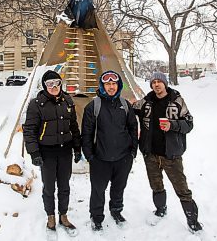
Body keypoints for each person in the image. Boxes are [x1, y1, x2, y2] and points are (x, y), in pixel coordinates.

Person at [132, 71, 203, 232]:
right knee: (156, 185)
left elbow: (189, 124)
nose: (156, 84)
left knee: (182, 190)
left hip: (171, 154)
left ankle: (193, 221)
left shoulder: (177, 100)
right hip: (150, 154)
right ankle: (160, 209)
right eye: (153, 82)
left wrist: (173, 125)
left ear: (165, 83)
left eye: (159, 81)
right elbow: (131, 108)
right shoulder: (147, 102)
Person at [23, 70, 82, 236]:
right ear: (45, 86)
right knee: (49, 187)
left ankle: (63, 215)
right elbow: (29, 130)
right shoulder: (36, 104)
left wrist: (77, 148)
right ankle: (50, 216)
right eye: (50, 84)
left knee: (64, 186)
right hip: (46, 153)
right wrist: (34, 153)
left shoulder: (68, 100)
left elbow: (74, 127)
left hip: (65, 151)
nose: (54, 87)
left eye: (56, 83)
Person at [81, 70, 138, 231]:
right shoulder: (94, 106)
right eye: (108, 84)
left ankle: (116, 211)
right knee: (98, 190)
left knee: (118, 188)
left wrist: (133, 151)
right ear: (102, 85)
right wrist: (90, 155)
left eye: (114, 84)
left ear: (118, 85)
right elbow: (86, 133)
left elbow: (133, 128)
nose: (111, 87)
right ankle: (97, 216)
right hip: (100, 158)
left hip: (123, 158)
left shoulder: (125, 104)